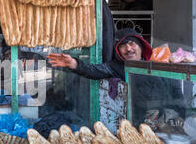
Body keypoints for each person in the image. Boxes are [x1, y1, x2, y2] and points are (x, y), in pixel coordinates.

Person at [47, 28, 185, 125]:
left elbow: (176, 89)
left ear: (141, 46)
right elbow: (94, 70)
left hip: (165, 120)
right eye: (123, 46)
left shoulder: (157, 63)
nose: (129, 49)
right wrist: (74, 63)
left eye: (132, 43)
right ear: (118, 51)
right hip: (136, 122)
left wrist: (181, 114)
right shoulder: (117, 67)